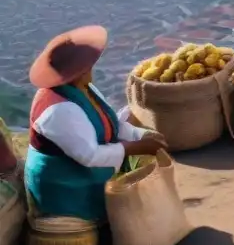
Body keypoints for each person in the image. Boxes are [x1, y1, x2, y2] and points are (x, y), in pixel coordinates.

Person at [24, 26, 167, 222]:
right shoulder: (58, 110)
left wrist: (140, 135)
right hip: (64, 183)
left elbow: (107, 122)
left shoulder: (84, 89)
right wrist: (135, 147)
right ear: (75, 72)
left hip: (82, 168)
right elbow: (89, 156)